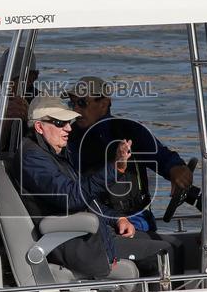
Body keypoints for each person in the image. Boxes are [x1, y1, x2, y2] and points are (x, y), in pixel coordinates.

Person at [64, 76, 194, 275]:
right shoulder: (68, 139)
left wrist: (176, 169)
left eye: (82, 102)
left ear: (104, 103)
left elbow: (161, 156)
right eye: (72, 103)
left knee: (176, 248)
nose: (76, 109)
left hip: (136, 219)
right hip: (103, 224)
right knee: (170, 250)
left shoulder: (130, 130)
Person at [12, 96, 133, 279]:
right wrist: (114, 169)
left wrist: (115, 219)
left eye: (69, 122)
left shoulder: (54, 155)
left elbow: (84, 198)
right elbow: (71, 197)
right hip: (78, 247)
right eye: (60, 123)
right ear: (39, 127)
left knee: (166, 243)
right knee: (167, 250)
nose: (68, 128)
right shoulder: (33, 159)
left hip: (92, 238)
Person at [0, 47, 38, 163]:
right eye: (2, 76)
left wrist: (30, 120)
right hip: (0, 168)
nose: (5, 82)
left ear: (32, 78)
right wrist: (5, 123)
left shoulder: (45, 103)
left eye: (12, 78)